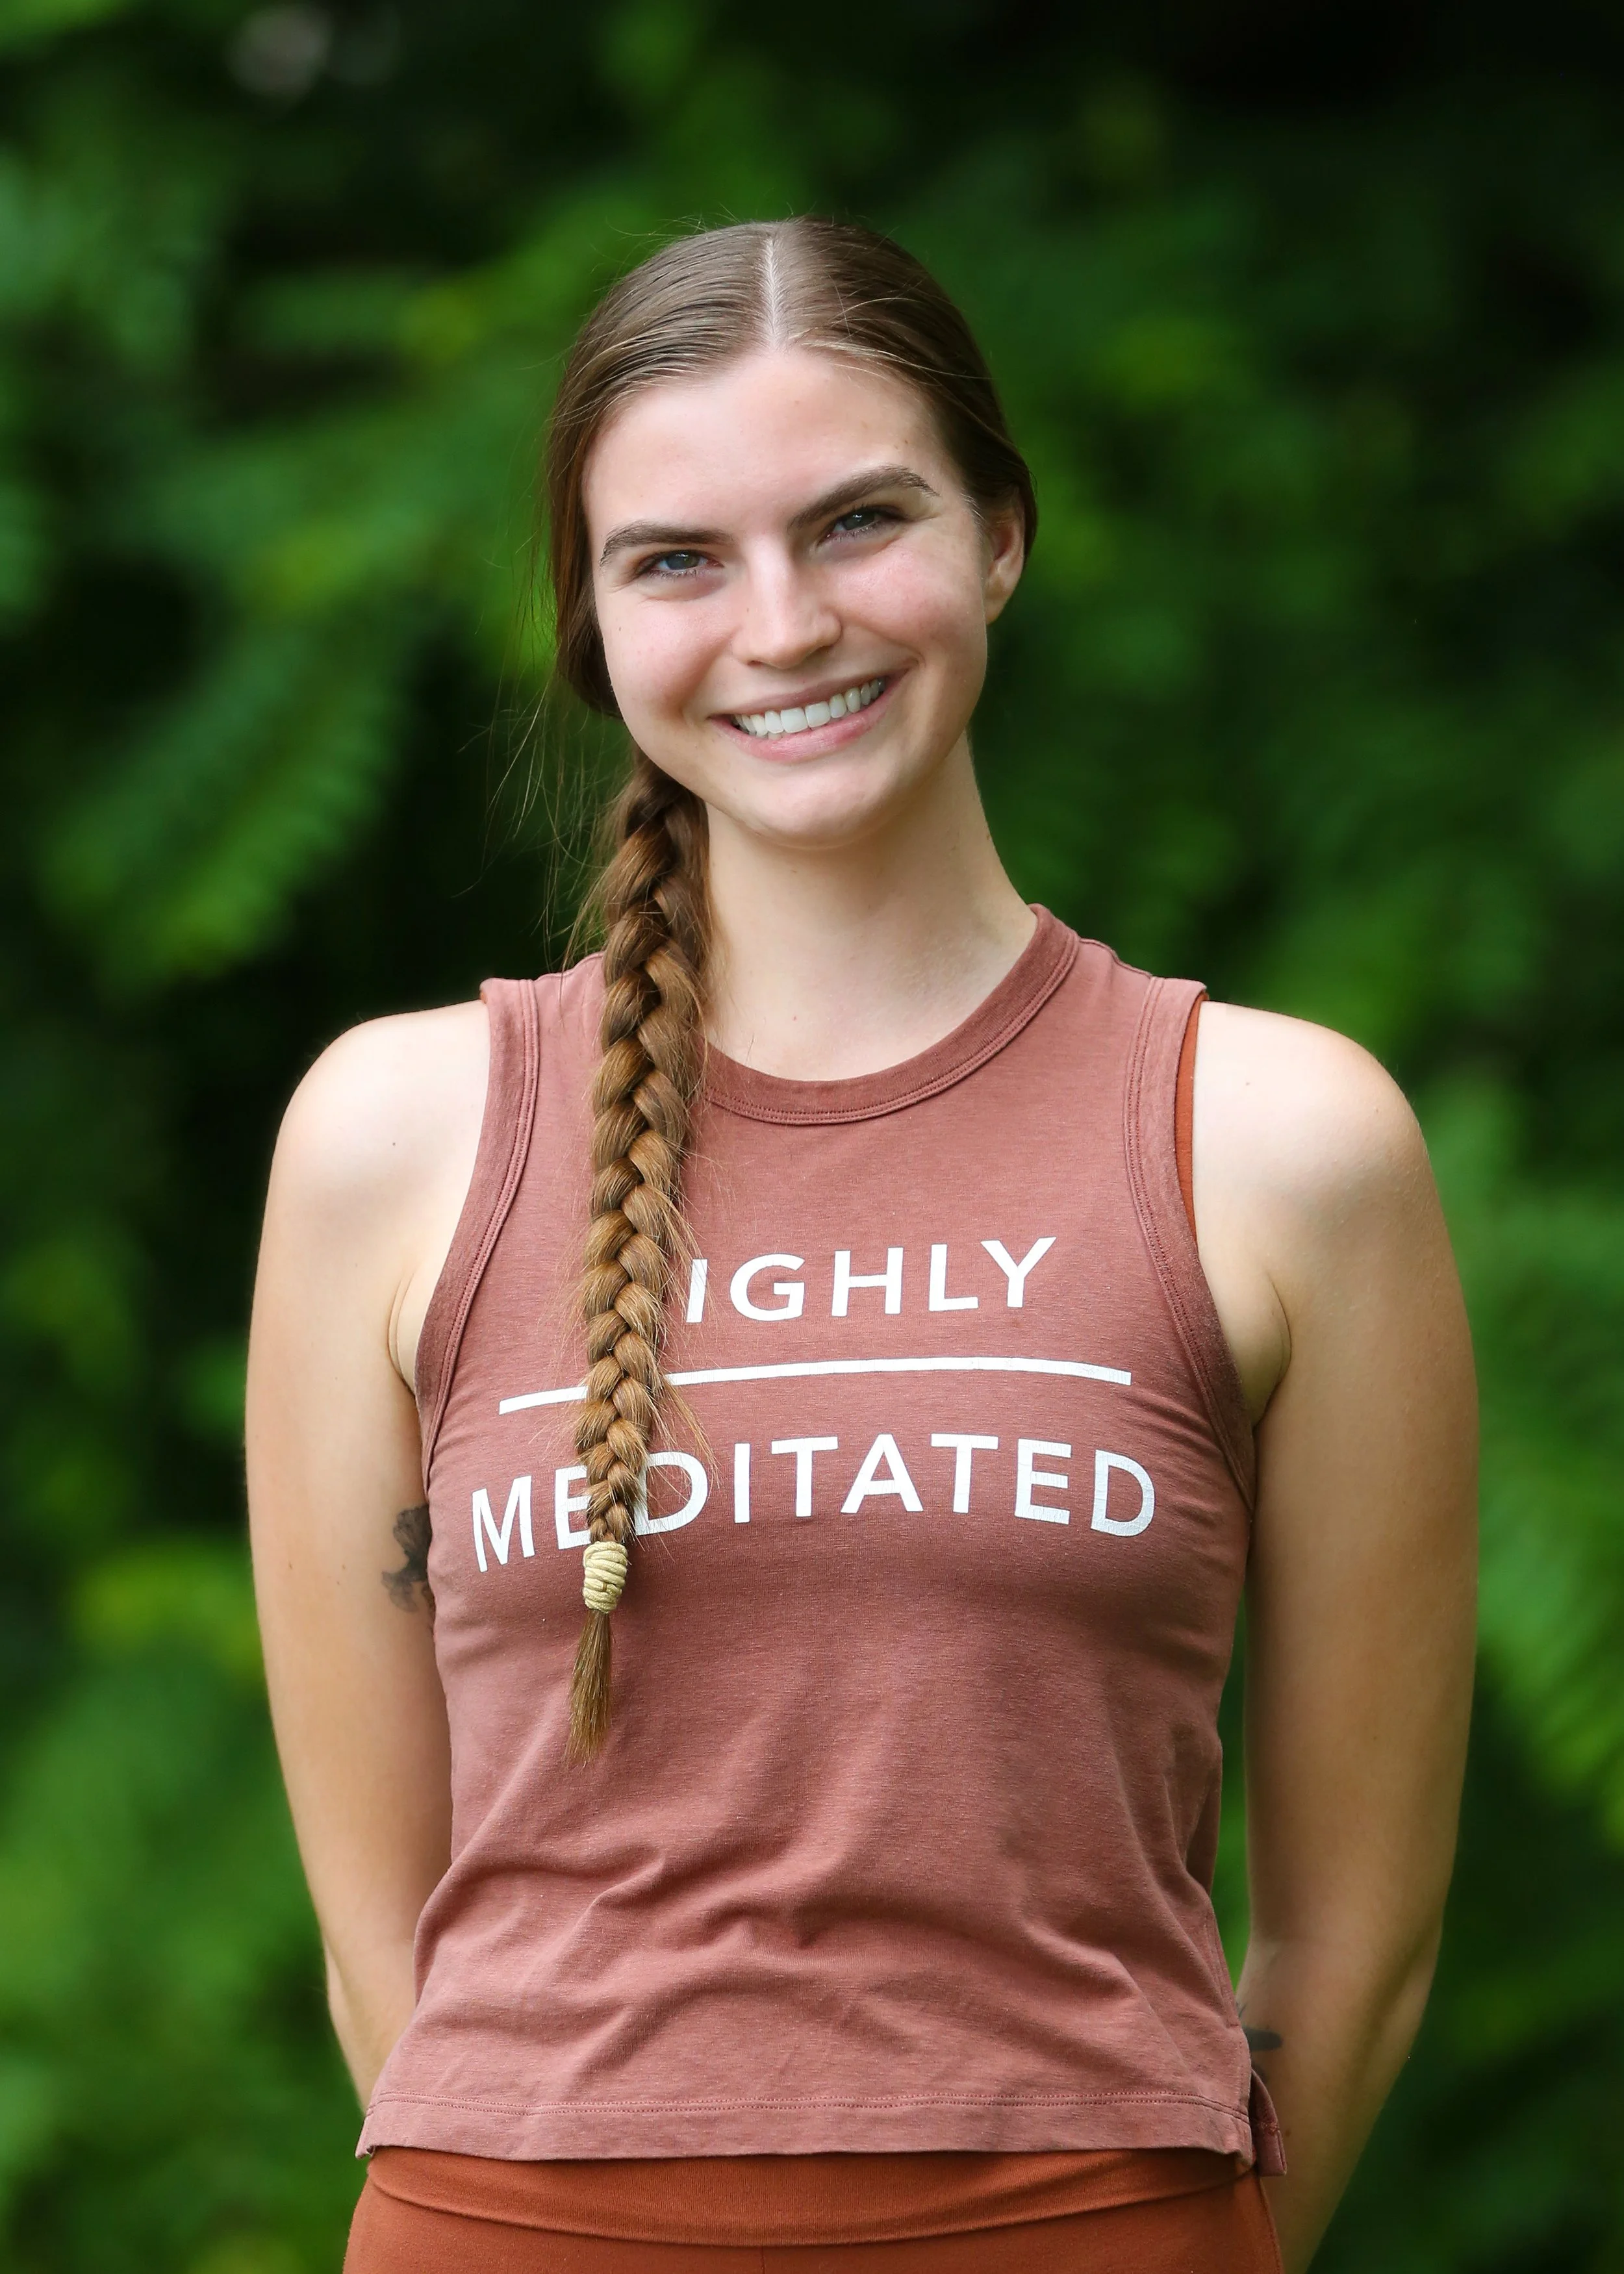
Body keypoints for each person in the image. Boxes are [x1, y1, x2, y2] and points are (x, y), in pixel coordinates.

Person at [246, 218, 1477, 2274]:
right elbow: (381, 1942)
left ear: (999, 535)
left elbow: (1355, 1942)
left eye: (856, 521)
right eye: (675, 560)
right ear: (594, 624)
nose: (783, 623)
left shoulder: (1280, 1145)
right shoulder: (395, 1140)